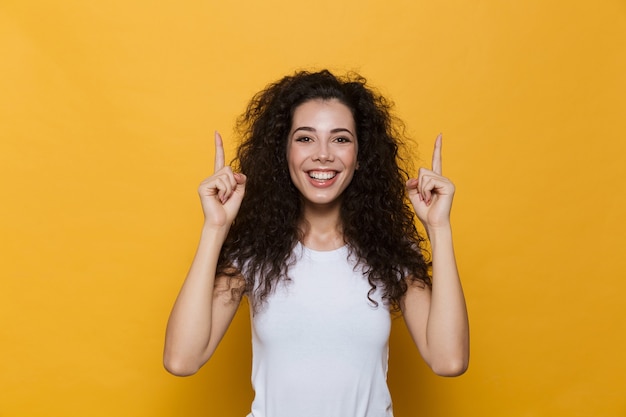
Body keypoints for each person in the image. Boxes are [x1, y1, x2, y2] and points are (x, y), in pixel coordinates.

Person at [164, 70, 469, 417]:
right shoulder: (253, 253)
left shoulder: (389, 252)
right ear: (284, 151)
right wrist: (215, 227)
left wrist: (439, 228)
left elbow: (449, 360)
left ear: (360, 155)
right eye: (305, 138)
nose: (323, 154)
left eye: (340, 139)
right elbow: (181, 360)